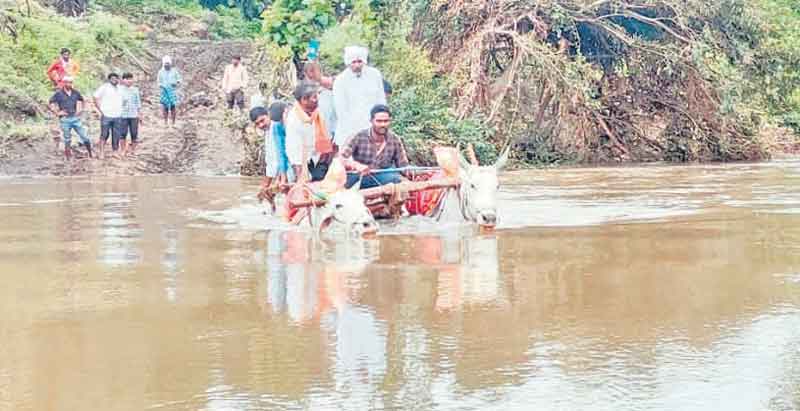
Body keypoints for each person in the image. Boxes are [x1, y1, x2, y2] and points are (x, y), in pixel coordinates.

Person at [340, 104, 409, 189]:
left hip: (383, 178)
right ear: (371, 121)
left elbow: (403, 166)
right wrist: (356, 165)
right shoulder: (358, 136)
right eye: (379, 121)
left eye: (386, 121)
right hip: (360, 177)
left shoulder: (394, 139)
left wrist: (414, 173)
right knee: (343, 182)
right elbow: (340, 159)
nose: (383, 124)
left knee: (396, 180)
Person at [332, 46, 386, 147]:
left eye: (359, 61)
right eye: (354, 62)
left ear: (364, 61)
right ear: (348, 63)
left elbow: (381, 100)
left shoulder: (375, 75)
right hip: (349, 130)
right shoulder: (340, 81)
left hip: (373, 126)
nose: (357, 65)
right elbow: (341, 111)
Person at [285, 80, 335, 182]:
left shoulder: (320, 111)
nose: (317, 99)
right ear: (304, 100)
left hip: (322, 157)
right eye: (315, 97)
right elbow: (295, 150)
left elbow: (329, 137)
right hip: (303, 161)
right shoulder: (294, 120)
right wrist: (301, 177)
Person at [48, 76, 92, 160]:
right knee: (67, 138)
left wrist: (81, 110)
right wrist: (57, 112)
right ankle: (68, 157)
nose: (69, 84)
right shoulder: (59, 93)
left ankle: (90, 154)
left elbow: (83, 100)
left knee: (84, 136)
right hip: (65, 119)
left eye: (71, 82)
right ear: (64, 83)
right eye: (67, 82)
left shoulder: (75, 92)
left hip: (75, 118)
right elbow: (50, 103)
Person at [303, 61, 337, 143]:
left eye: (314, 72)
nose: (312, 76)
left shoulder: (334, 89)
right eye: (310, 75)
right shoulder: (306, 96)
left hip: (334, 136)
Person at [93, 72, 124, 157]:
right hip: (106, 115)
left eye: (116, 78)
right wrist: (100, 109)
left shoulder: (120, 88)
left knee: (116, 134)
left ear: (118, 79)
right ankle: (101, 152)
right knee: (104, 134)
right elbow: (95, 97)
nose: (115, 80)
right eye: (113, 79)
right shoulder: (104, 87)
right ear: (109, 79)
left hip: (117, 115)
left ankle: (115, 152)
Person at [119, 72, 142, 155]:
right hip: (122, 115)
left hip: (133, 114)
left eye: (130, 79)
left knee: (134, 133)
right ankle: (123, 150)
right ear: (123, 80)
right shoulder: (119, 89)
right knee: (122, 133)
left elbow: (138, 102)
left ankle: (133, 150)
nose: (129, 81)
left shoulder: (135, 90)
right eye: (127, 79)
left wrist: (140, 114)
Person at [157, 56, 181, 126]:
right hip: (164, 91)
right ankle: (165, 123)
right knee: (165, 107)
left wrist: (176, 83)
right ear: (163, 64)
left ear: (170, 64)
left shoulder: (174, 71)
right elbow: (158, 82)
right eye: (165, 63)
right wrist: (162, 86)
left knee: (173, 106)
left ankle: (173, 123)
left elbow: (179, 79)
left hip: (172, 91)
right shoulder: (160, 72)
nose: (167, 65)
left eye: (168, 63)